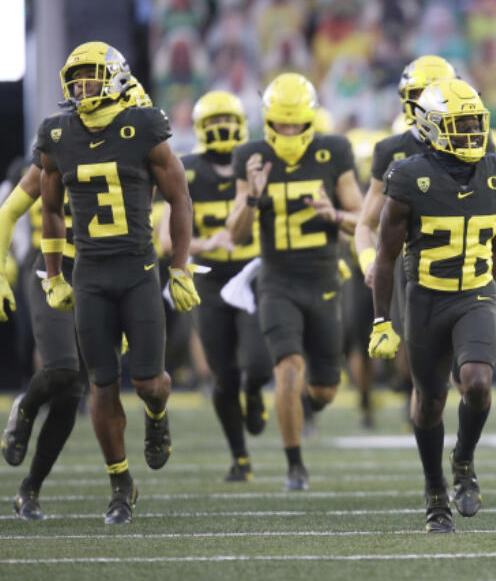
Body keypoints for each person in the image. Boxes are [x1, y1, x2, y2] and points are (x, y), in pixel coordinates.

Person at [38, 42, 199, 524]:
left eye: (91, 76)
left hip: (137, 270)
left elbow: (180, 197)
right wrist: (52, 274)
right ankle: (120, 483)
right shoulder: (56, 133)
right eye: (76, 78)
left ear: (114, 77)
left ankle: (156, 416)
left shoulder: (143, 124)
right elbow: (48, 208)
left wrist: (181, 266)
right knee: (102, 383)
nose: (81, 86)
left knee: (150, 382)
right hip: (88, 272)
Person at [0, 78, 151, 519]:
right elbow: (9, 211)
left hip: (112, 271)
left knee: (80, 386)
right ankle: (26, 405)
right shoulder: (66, 143)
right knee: (61, 372)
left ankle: (31, 490)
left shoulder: (144, 149)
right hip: (60, 267)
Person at [369, 78, 496, 533]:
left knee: (477, 382)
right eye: (460, 123)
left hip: (474, 292)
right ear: (431, 127)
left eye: (475, 122)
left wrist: (490, 294)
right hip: (427, 297)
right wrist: (380, 319)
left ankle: (464, 460)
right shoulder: (409, 176)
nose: (472, 131)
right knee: (430, 401)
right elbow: (385, 256)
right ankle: (435, 493)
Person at [227, 73, 362, 491]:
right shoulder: (250, 155)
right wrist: (253, 195)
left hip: (323, 280)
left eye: (295, 124)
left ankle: (305, 406)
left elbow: (363, 221)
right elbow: (236, 234)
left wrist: (334, 215)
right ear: (267, 120)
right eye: (280, 124)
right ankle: (295, 467)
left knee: (323, 391)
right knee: (287, 369)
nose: (287, 132)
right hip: (277, 280)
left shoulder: (333, 151)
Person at [164, 90, 273, 481]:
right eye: (212, 122)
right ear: (198, 128)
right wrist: (205, 243)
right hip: (209, 280)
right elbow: (164, 239)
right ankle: (240, 458)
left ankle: (257, 391)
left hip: (255, 275)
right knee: (223, 376)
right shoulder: (185, 169)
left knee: (259, 364)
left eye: (226, 120)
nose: (221, 128)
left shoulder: (258, 163)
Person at [354, 55, 458, 421]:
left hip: (462, 259)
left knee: (468, 366)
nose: (426, 102)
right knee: (420, 363)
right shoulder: (392, 150)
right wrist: (369, 263)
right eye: (419, 94)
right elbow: (365, 223)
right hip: (413, 263)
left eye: (435, 93)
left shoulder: (473, 136)